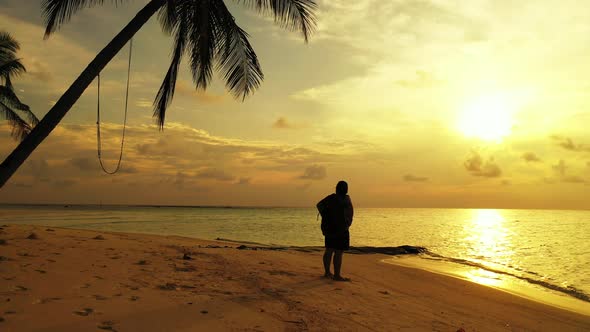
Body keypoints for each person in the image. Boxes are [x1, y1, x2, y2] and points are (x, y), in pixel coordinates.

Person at [316, 180, 354, 281]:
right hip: (340, 229)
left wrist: (326, 216)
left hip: (331, 229)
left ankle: (327, 272)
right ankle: (336, 275)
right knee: (338, 252)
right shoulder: (346, 199)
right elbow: (348, 214)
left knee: (329, 250)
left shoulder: (332, 198)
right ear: (346, 189)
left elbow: (319, 205)